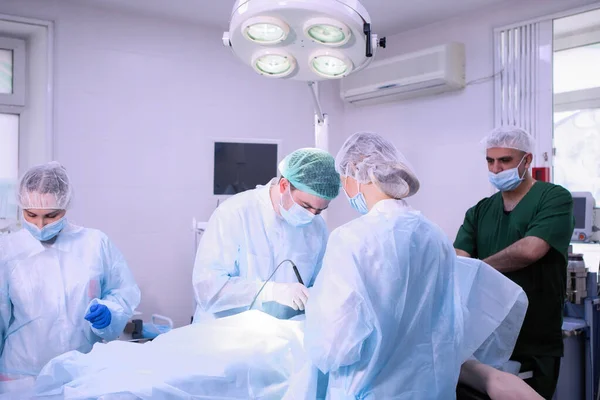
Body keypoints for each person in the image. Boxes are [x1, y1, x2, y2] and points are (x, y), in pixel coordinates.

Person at [304, 132, 466, 398]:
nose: (345, 187)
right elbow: (450, 325)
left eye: (344, 176)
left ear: (357, 168)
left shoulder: (351, 239)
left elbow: (334, 346)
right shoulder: (435, 236)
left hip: (369, 391)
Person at [454, 126, 574, 399]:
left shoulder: (554, 198)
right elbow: (459, 262)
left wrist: (478, 267)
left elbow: (530, 250)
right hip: (484, 336)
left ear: (527, 160)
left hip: (534, 337)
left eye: (505, 160)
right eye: (490, 161)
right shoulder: (480, 210)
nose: (496, 169)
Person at [0, 162, 141, 392]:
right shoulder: (7, 250)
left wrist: (110, 313)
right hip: (21, 379)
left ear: (65, 205)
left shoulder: (94, 244)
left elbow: (122, 291)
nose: (41, 225)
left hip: (80, 372)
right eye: (31, 215)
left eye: (51, 215)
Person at [192, 148, 340, 322]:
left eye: (320, 210)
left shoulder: (317, 227)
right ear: (284, 186)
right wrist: (271, 291)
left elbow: (319, 284)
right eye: (306, 206)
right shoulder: (235, 213)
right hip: (225, 334)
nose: (311, 215)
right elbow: (208, 290)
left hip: (280, 337)